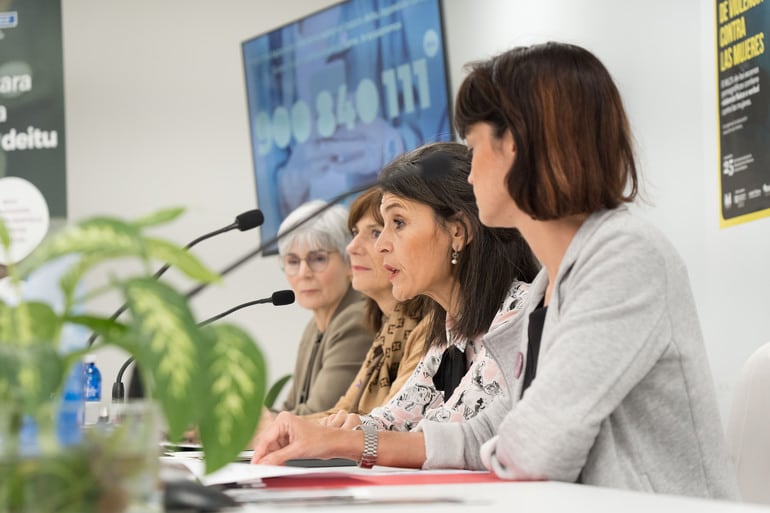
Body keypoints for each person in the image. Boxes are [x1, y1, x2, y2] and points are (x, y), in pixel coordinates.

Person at [252, 141, 539, 459]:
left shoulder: (519, 317)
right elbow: (395, 420)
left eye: (398, 223)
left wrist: (342, 440)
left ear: (458, 231)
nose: (381, 245)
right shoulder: (448, 331)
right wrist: (351, 428)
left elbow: (453, 438)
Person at [304, 188, 430, 420]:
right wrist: (276, 428)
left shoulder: (430, 328)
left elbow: (388, 423)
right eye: (354, 233)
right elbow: (340, 411)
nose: (351, 247)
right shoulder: (388, 332)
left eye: (374, 233)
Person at [276, 200, 373, 415]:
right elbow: (290, 410)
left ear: (349, 263)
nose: (303, 273)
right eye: (293, 261)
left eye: (318, 258)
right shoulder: (314, 326)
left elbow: (316, 415)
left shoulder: (357, 320)